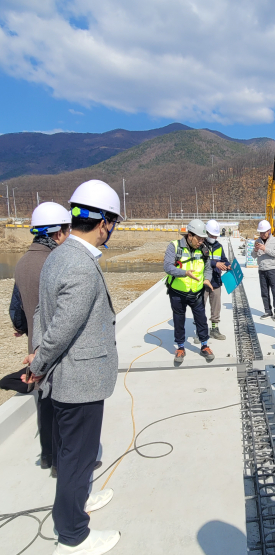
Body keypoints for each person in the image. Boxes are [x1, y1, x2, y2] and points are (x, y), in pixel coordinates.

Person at [22, 180, 123, 554]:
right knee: (77, 458)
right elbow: (63, 325)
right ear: (104, 223)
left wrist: (38, 351)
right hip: (79, 380)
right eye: (114, 223)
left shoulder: (58, 255)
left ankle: (80, 500)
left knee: (73, 454)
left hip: (67, 377)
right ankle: (73, 536)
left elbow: (40, 311)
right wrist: (40, 362)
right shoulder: (80, 264)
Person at [0, 203, 71, 472]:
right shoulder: (55, 263)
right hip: (57, 347)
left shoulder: (22, 263)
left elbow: (15, 308)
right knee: (63, 406)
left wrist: (22, 326)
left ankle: (47, 457)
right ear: (58, 233)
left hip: (35, 346)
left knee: (43, 402)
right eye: (67, 231)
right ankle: (61, 464)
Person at [164, 219, 215, 363]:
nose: (201, 242)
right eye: (199, 238)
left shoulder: (204, 249)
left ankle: (204, 345)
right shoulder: (174, 247)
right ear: (190, 235)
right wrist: (184, 273)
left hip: (197, 293)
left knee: (201, 319)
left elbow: (208, 267)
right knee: (179, 320)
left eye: (203, 239)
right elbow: (167, 267)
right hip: (177, 293)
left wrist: (207, 279)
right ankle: (180, 347)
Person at [203, 219, 230, 340]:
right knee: (200, 307)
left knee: (216, 308)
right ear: (207, 233)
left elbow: (224, 260)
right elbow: (202, 260)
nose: (214, 237)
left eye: (215, 235)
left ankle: (214, 329)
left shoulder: (219, 246)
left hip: (216, 281)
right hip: (203, 281)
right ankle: (200, 330)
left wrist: (228, 265)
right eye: (212, 235)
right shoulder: (201, 245)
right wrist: (215, 264)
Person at [252, 220, 275, 320]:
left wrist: (265, 249)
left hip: (272, 269)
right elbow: (253, 256)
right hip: (262, 269)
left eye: (264, 232)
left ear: (269, 231)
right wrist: (255, 250)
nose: (262, 234)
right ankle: (267, 311)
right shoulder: (257, 241)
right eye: (260, 232)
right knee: (264, 292)